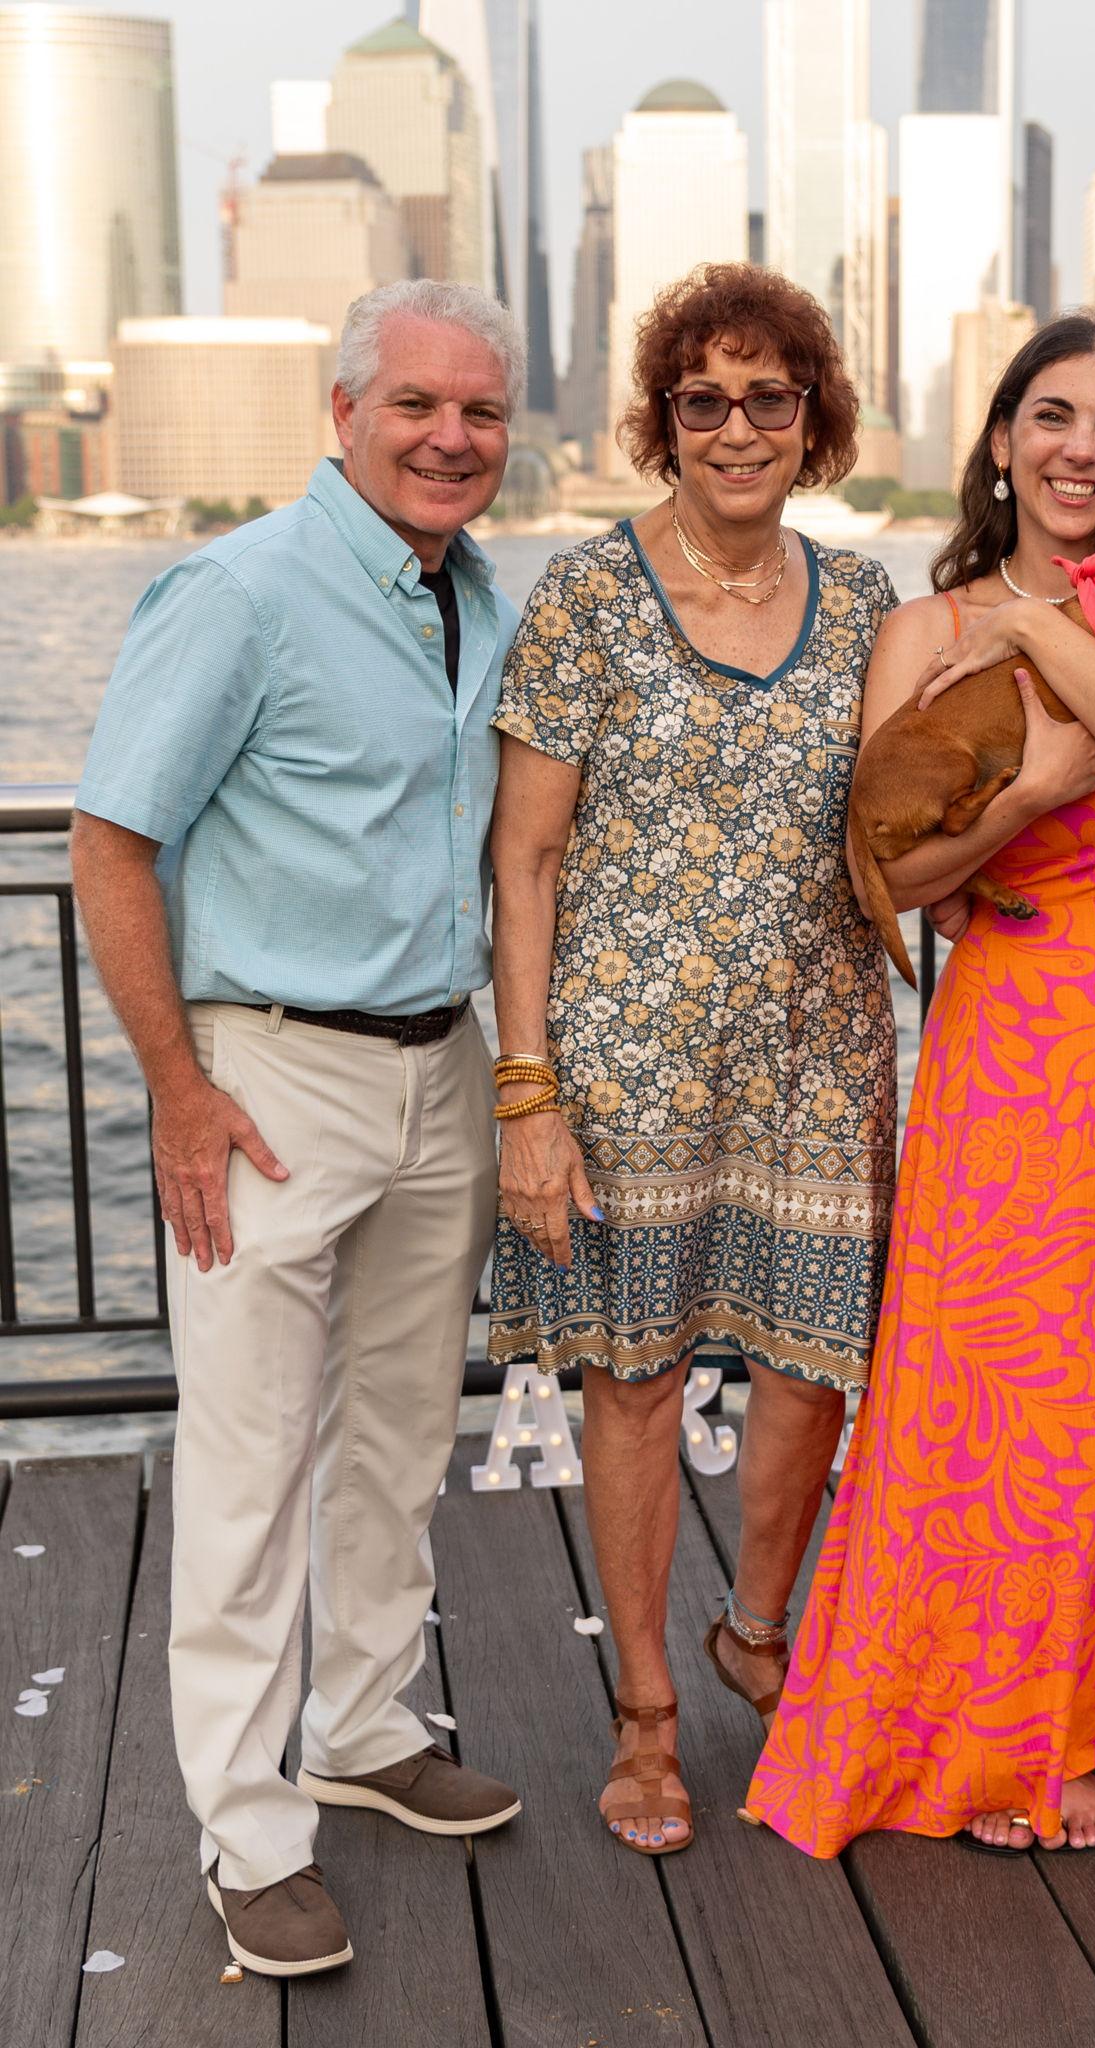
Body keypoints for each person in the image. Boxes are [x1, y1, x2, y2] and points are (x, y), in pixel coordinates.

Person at [745, 314, 1095, 1859]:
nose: (1083, 447)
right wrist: (1043, 786)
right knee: (1005, 1387)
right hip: (1019, 1031)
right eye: (1051, 416)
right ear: (999, 441)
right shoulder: (923, 632)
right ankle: (1010, 1725)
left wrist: (1053, 636)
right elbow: (899, 862)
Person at [70, 279, 525, 1977]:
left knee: (402, 1436)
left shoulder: (475, 595)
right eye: (416, 405)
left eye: (479, 412)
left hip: (442, 1068)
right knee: (250, 1464)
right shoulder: (243, 591)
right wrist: (179, 1091)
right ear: (342, 414)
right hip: (272, 1081)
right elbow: (112, 841)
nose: (450, 438)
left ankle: (363, 1727)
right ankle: (252, 1834)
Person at [487, 265, 896, 1856]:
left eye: (768, 398)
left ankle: (764, 1632)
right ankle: (649, 1720)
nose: (737, 427)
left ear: (814, 421)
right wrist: (528, 1097)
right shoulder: (589, 597)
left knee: (808, 1379)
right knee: (639, 1386)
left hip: (819, 1056)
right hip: (628, 1070)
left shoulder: (865, 604)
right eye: (704, 400)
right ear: (665, 423)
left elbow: (915, 814)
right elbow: (523, 862)